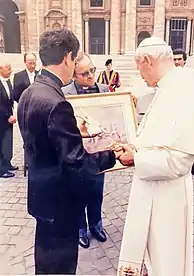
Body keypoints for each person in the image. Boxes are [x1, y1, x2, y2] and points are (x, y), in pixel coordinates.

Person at [17, 29, 122, 274]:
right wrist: (113, 155)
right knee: (61, 268)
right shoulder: (57, 102)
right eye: (74, 61)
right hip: (60, 202)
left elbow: (44, 138)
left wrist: (76, 133)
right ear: (67, 57)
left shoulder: (30, 93)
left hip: (41, 198)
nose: (74, 66)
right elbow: (77, 162)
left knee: (45, 263)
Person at [116, 37, 194, 276]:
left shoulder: (183, 90)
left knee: (164, 264)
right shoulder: (167, 87)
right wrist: (134, 147)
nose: (140, 76)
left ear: (148, 61)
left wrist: (136, 158)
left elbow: (179, 161)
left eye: (139, 69)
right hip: (155, 190)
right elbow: (157, 140)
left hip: (166, 199)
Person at [62, 52, 110, 249]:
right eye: (84, 73)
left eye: (92, 70)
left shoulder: (106, 90)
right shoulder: (65, 93)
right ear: (74, 75)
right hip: (77, 155)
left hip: (99, 154)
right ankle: (80, 229)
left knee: (96, 192)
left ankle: (96, 225)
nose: (90, 76)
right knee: (77, 194)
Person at [173, 48, 194, 178]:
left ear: (184, 61)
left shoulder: (191, 74)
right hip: (174, 113)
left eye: (179, 59)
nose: (177, 62)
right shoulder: (169, 74)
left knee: (190, 141)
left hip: (189, 113)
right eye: (174, 59)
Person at [0, 63, 18, 178]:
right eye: (8, 69)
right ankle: (1, 170)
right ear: (0, 69)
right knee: (1, 143)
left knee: (8, 142)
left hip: (8, 119)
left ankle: (7, 163)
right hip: (1, 118)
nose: (11, 71)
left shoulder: (8, 81)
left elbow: (11, 99)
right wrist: (7, 116)